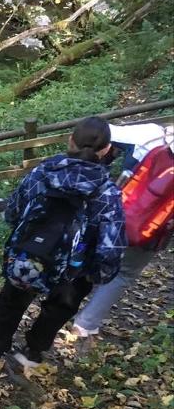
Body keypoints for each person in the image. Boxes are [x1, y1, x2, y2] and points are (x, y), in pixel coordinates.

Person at [0, 117, 126, 373]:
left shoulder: (43, 173)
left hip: (31, 253)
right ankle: (32, 351)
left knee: (12, 300)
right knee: (59, 308)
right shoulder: (108, 194)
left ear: (70, 140)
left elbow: (14, 211)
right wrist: (98, 275)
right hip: (75, 268)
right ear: (107, 150)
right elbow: (111, 245)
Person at [70, 123, 174, 337]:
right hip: (151, 231)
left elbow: (100, 130)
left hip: (114, 213)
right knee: (124, 274)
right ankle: (85, 324)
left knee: (87, 256)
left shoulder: (151, 134)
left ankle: (62, 305)